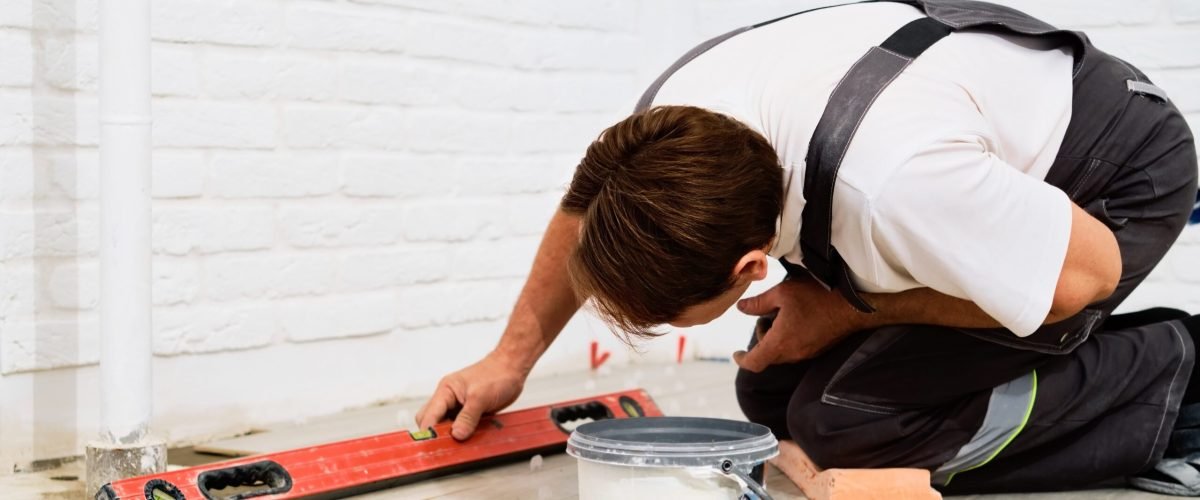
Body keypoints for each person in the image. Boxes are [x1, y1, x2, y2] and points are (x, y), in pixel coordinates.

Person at [417, 0, 1200, 494]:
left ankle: (1171, 374)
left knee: (854, 429)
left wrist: (847, 310)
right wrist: (509, 359)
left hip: (1102, 181)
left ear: (753, 266)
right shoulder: (664, 130)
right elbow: (585, 210)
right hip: (959, 139)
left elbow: (1084, 278)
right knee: (768, 399)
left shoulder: (897, 187)